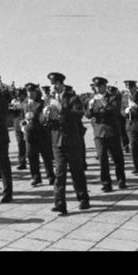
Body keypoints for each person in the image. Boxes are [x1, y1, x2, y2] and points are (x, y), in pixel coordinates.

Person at [44, 72, 89, 215]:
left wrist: (61, 108)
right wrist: (44, 116)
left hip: (71, 140)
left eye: (56, 83)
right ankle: (59, 203)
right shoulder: (49, 100)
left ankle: (83, 198)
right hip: (57, 140)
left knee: (77, 171)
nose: (54, 86)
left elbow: (77, 114)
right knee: (60, 172)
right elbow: (42, 120)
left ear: (62, 84)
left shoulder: (73, 98)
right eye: (52, 84)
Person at [85, 77, 126, 192]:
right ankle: (106, 183)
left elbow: (114, 111)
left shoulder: (113, 97)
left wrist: (102, 102)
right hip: (99, 132)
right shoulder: (92, 99)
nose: (97, 88)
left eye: (99, 86)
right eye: (95, 86)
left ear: (104, 86)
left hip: (112, 131)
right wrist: (90, 106)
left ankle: (121, 180)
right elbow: (88, 115)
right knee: (103, 159)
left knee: (117, 158)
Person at [24, 83, 55, 187]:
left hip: (41, 133)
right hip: (29, 134)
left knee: (46, 157)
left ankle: (51, 176)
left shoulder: (41, 103)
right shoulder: (25, 103)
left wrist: (35, 116)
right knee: (31, 156)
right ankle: (36, 177)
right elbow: (21, 116)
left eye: (32, 91)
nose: (30, 94)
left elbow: (45, 116)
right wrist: (22, 124)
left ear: (36, 92)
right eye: (28, 91)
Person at [8, 87, 28, 170]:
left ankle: (32, 159)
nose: (19, 97)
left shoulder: (27, 101)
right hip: (17, 125)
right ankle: (22, 162)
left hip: (26, 125)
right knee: (20, 144)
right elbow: (9, 112)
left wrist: (21, 106)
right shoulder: (14, 101)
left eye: (20, 95)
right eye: (18, 95)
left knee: (29, 145)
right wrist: (12, 108)